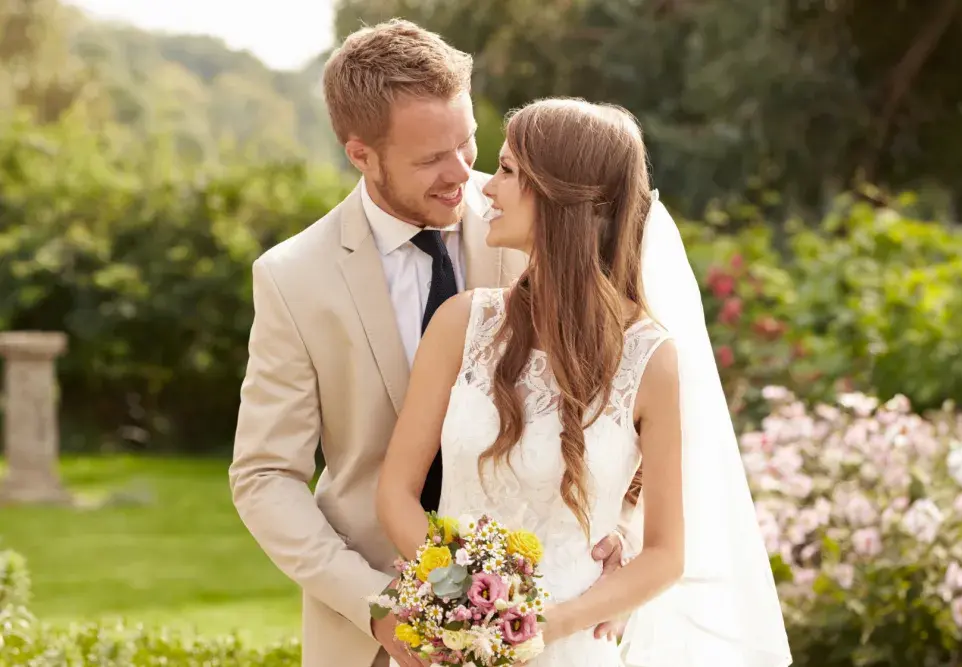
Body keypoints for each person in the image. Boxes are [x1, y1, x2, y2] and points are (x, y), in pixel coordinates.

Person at [228, 21, 635, 667]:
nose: (461, 175)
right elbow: (264, 476)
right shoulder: (293, 277)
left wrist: (623, 532)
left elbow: (623, 390)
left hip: (547, 623)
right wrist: (377, 604)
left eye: (468, 142)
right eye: (428, 160)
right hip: (372, 638)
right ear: (360, 154)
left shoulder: (533, 220)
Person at [376, 98, 793, 666]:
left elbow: (666, 554)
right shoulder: (462, 324)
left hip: (569, 649)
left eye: (506, 171)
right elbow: (395, 493)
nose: (486, 190)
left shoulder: (651, 359)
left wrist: (536, 624)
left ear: (557, 196)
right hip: (454, 649)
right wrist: (462, 601)